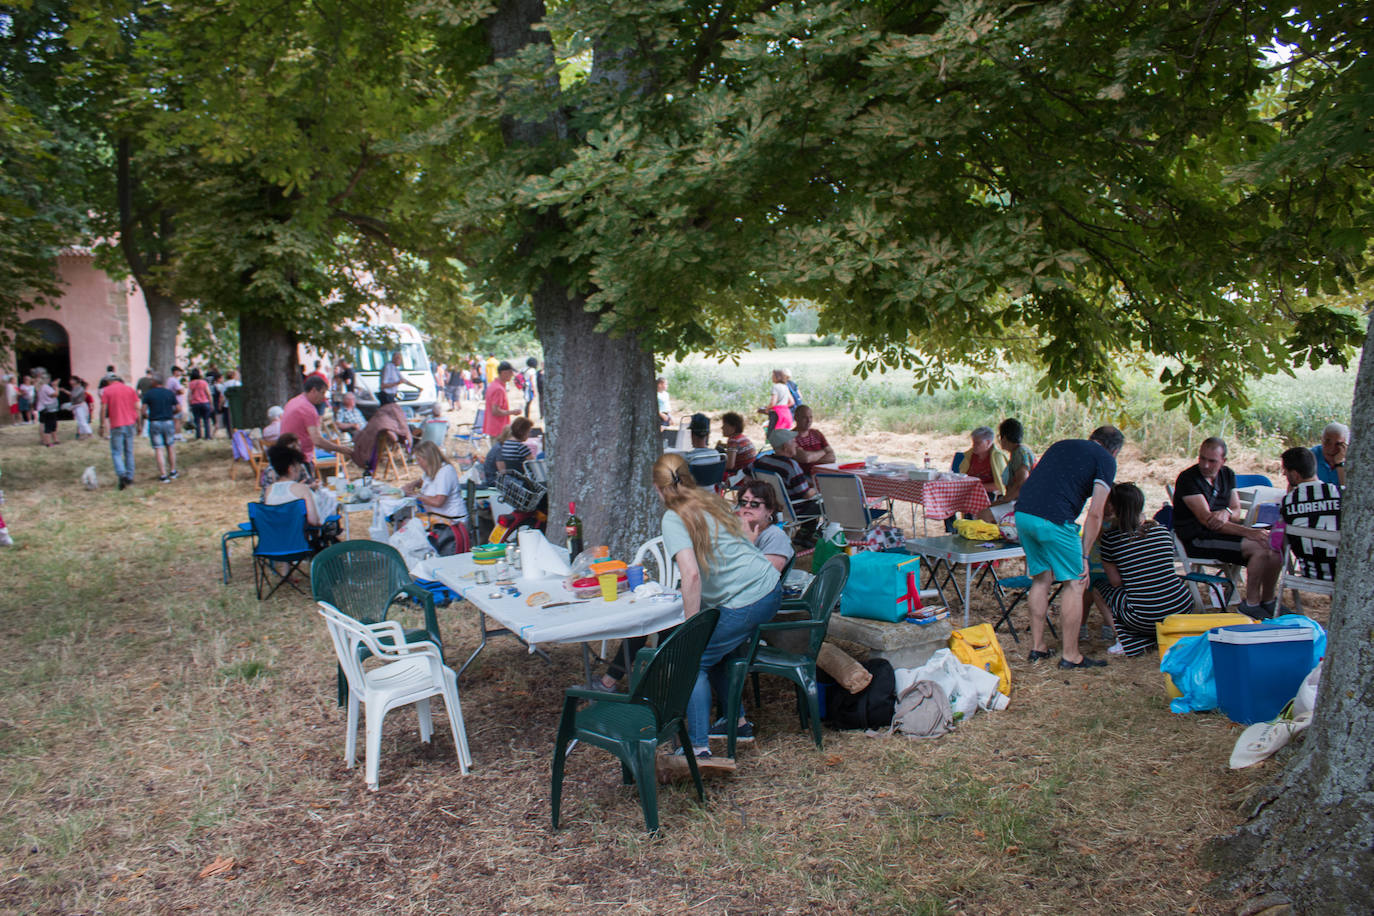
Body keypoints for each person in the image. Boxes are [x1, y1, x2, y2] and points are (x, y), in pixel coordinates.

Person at [653, 453, 781, 763]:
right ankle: (736, 722)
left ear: (659, 488)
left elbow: (691, 574)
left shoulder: (674, 516)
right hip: (768, 586)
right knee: (718, 654)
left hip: (746, 597)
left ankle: (698, 749)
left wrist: (689, 629)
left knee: (693, 661)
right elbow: (742, 544)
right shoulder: (712, 501)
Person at [1013, 424, 1125, 668]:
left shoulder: (1061, 445)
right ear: (1114, 451)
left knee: (1041, 578)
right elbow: (1096, 514)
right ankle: (1071, 655)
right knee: (1075, 583)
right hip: (1054, 519)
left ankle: (1038, 647)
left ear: (1091, 438)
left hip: (1023, 514)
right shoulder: (1106, 460)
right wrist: (1085, 555)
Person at [1172, 437, 1283, 618]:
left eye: (1212, 461)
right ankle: (1251, 603)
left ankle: (1268, 601)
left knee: (1273, 546)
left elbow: (1236, 511)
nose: (1205, 465)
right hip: (1197, 538)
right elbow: (1207, 520)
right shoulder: (1188, 479)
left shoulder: (1227, 475)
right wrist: (1249, 532)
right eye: (1202, 458)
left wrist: (1226, 511)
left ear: (1223, 461)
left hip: (1222, 533)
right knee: (1259, 547)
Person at [1089, 483, 1195, 657]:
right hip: (1181, 606)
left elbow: (1116, 582)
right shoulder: (1162, 531)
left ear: (1116, 507)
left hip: (1144, 615)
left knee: (1099, 590)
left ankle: (1124, 640)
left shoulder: (1111, 539)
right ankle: (1153, 635)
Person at [1279, 446, 1341, 581]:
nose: (1284, 474)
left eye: (1285, 470)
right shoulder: (1338, 493)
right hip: (1340, 571)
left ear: (1295, 474)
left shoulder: (1289, 500)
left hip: (1310, 571)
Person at [752, 429, 822, 545]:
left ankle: (802, 535)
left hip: (771, 508)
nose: (796, 444)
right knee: (823, 501)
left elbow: (747, 473)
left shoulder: (761, 461)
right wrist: (818, 488)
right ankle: (807, 534)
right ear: (785, 446)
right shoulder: (790, 466)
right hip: (794, 511)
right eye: (794, 441)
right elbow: (806, 494)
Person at [280, 377, 354, 473]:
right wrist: (341, 449)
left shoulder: (292, 402)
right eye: (322, 393)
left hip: (285, 455)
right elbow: (317, 440)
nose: (324, 397)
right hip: (300, 458)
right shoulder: (309, 409)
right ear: (314, 390)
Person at [979, 418, 1036, 525]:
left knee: (984, 515)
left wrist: (1004, 500)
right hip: (1019, 500)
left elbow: (1021, 483)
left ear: (1004, 438)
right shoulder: (1018, 452)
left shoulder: (1020, 453)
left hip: (1025, 503)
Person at [734, 480, 794, 572]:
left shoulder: (776, 537)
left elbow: (766, 577)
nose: (748, 506)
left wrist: (748, 544)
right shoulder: (733, 528)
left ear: (769, 510)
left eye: (755, 504)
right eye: (743, 502)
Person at [406, 441, 468, 522]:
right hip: (438, 516)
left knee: (408, 525)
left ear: (427, 459)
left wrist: (416, 495)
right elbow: (421, 482)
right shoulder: (430, 471)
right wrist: (413, 484)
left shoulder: (445, 471)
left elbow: (438, 502)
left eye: (419, 459)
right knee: (406, 522)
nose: (418, 463)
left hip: (452, 520)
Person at [101, 375, 140, 489]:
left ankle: (121, 474)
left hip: (116, 424)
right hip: (130, 423)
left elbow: (104, 408)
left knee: (116, 452)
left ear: (109, 381)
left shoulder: (107, 390)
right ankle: (130, 477)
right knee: (129, 451)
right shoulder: (130, 389)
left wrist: (102, 425)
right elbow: (137, 406)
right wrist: (139, 424)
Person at [140, 373, 180, 481]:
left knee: (158, 448)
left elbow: (143, 410)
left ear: (154, 382)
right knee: (170, 446)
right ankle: (173, 471)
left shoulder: (149, 394)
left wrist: (147, 416)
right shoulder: (169, 393)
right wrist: (172, 413)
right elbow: (178, 408)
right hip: (168, 421)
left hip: (155, 422)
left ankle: (163, 474)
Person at [956, 426, 1007, 501]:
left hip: (987, 493)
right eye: (973, 442)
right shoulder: (970, 455)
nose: (973, 446)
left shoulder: (997, 457)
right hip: (968, 490)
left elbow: (1000, 485)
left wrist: (975, 487)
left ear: (988, 442)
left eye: (977, 443)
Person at [791, 406, 835, 477]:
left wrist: (812, 458)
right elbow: (805, 458)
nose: (809, 420)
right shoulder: (790, 437)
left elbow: (832, 457)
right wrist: (824, 451)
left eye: (811, 417)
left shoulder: (817, 433)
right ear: (796, 418)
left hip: (825, 474)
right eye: (804, 417)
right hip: (806, 477)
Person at [483, 361, 518, 438]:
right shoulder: (499, 389)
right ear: (504, 373)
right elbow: (495, 411)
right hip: (499, 429)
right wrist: (513, 412)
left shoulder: (493, 385)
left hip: (494, 427)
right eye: (510, 372)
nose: (512, 375)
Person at [1311, 422, 1348, 489]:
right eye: (1327, 442)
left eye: (1338, 444)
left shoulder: (1352, 459)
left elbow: (1348, 490)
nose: (1332, 448)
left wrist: (1339, 463)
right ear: (1321, 440)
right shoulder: (1310, 456)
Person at [719, 411, 756, 476]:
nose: (722, 428)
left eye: (724, 425)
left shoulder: (733, 441)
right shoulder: (741, 437)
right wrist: (723, 446)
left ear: (733, 428)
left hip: (741, 475)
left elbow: (730, 466)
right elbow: (737, 448)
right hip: (751, 471)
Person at [35, 372, 65, 447]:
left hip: (43, 408)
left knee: (46, 424)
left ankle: (48, 440)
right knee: (49, 425)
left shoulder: (40, 387)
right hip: (49, 409)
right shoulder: (46, 387)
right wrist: (56, 387)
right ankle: (48, 442)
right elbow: (54, 395)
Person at [186, 368, 214, 439]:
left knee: (197, 421)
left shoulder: (191, 384)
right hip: (205, 403)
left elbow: (189, 395)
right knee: (206, 421)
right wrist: (211, 404)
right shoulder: (204, 382)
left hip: (195, 403)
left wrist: (190, 404)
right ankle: (207, 436)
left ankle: (198, 436)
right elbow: (208, 394)